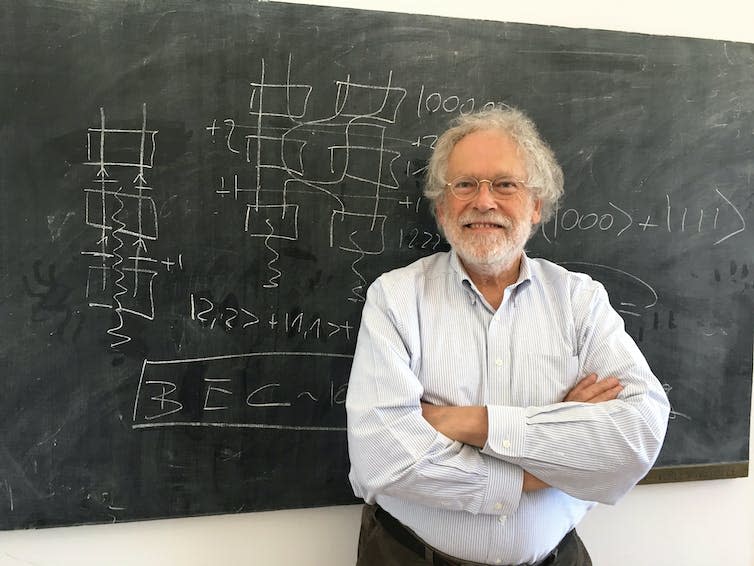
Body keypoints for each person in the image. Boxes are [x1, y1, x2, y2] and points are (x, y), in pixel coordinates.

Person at [345, 107, 670, 566]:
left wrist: (463, 422)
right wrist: (560, 457)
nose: (483, 201)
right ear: (441, 208)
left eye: (505, 184)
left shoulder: (580, 300)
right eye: (464, 185)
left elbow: (637, 436)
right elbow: (385, 460)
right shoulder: (396, 299)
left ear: (536, 206)